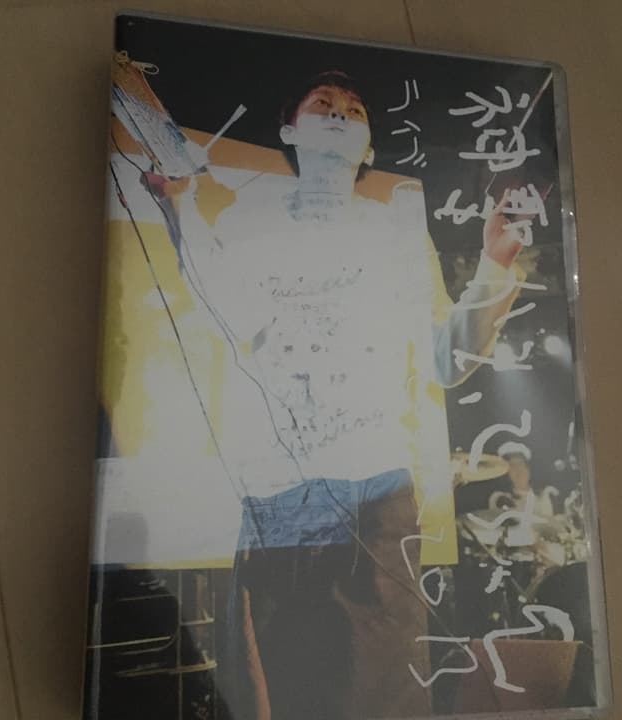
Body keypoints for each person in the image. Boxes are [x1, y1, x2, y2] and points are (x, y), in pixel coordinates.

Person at [141, 71, 527, 720]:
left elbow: (447, 360)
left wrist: (496, 266)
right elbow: (226, 315)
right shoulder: (249, 220)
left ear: (368, 147)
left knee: (383, 690)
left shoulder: (397, 233)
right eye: (322, 104)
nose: (339, 113)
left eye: (354, 109)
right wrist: (178, 208)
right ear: (291, 132)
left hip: (375, 491)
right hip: (278, 490)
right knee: (281, 686)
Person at [490, 441, 558, 518]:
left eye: (520, 464)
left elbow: (550, 522)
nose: (518, 469)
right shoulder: (500, 498)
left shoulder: (544, 495)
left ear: (528, 468)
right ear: (507, 473)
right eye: (512, 465)